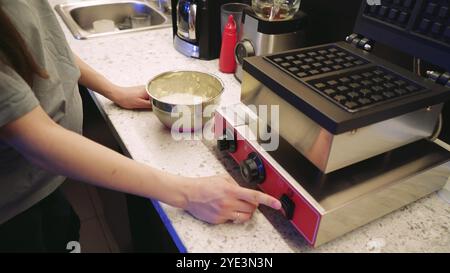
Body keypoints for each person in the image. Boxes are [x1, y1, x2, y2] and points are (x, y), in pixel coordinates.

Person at [0, 0, 281, 252]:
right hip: (13, 211)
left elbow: (45, 47)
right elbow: (39, 142)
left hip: (42, 183)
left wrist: (112, 90)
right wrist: (189, 193)